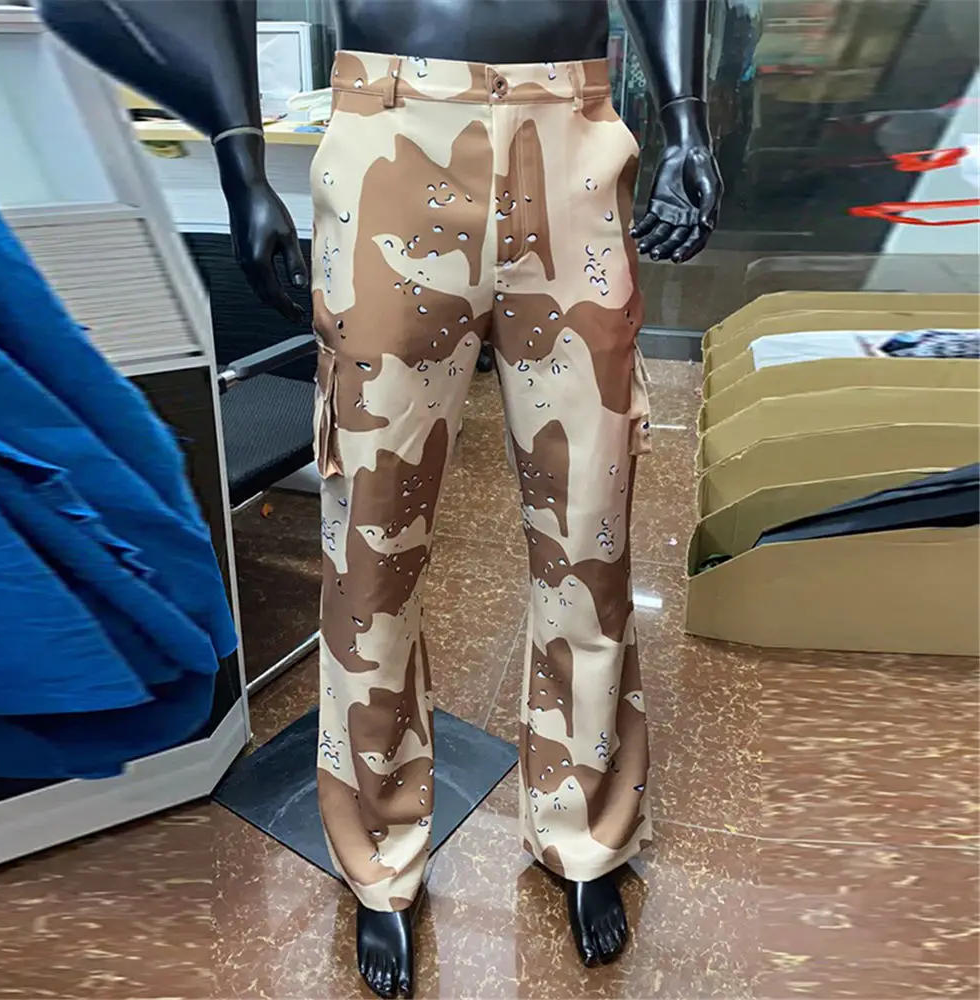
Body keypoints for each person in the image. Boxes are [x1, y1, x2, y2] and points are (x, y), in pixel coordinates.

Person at [40, 3, 722, 997]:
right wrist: (238, 157)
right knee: (369, 548)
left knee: (591, 535)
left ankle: (585, 829)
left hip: (573, 135)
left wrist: (686, 116)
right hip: (392, 140)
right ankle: (380, 853)